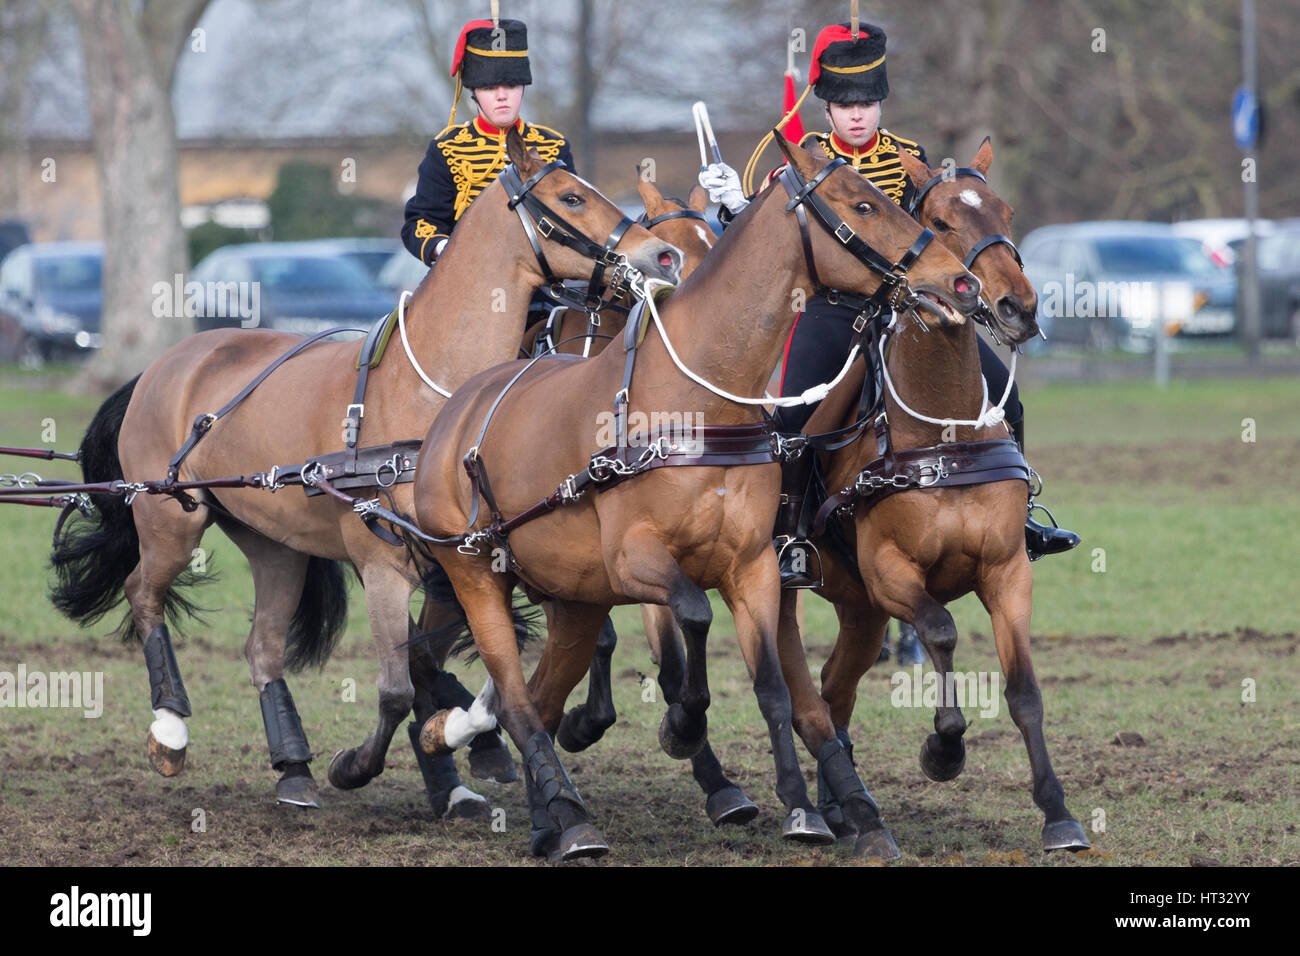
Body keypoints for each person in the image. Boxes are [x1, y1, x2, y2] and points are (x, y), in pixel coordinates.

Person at [699, 22, 1079, 654]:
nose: (857, 114)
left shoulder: (908, 156)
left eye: (867, 102)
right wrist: (733, 207)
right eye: (846, 104)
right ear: (826, 105)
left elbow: (943, 230)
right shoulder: (801, 159)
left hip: (912, 313)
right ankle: (790, 533)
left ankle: (1025, 520)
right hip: (830, 310)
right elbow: (764, 241)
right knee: (793, 416)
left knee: (1005, 400)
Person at [402, 17, 575, 327]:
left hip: (544, 299)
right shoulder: (447, 149)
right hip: (467, 295)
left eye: (510, 85)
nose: (501, 95)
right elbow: (420, 224)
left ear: (522, 86)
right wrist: (447, 250)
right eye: (489, 87)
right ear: (473, 92)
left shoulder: (553, 146)